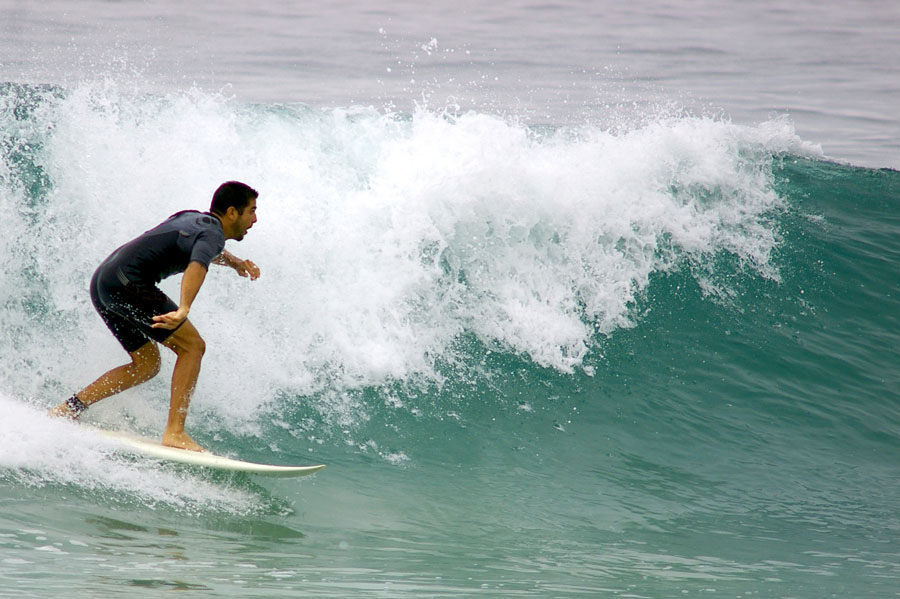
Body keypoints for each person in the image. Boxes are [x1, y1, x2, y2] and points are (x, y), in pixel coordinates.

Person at [50, 181, 260, 452]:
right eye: (251, 211)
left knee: (146, 364)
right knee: (193, 347)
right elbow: (198, 263)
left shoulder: (192, 218)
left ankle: (69, 408)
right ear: (232, 212)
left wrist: (235, 263)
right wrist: (183, 308)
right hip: (129, 283)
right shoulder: (212, 236)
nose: (255, 219)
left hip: (104, 282)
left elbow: (201, 247)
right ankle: (175, 432)